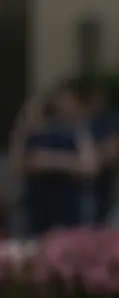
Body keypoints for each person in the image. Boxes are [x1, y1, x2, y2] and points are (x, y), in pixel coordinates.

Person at [8, 82, 99, 235]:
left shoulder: (76, 132)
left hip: (70, 208)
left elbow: (89, 166)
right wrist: (23, 126)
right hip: (37, 211)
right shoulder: (33, 135)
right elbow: (18, 166)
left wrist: (51, 160)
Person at [81, 78, 119, 226]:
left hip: (103, 180)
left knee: (99, 218)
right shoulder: (83, 118)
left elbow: (114, 150)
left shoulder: (111, 118)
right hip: (80, 183)